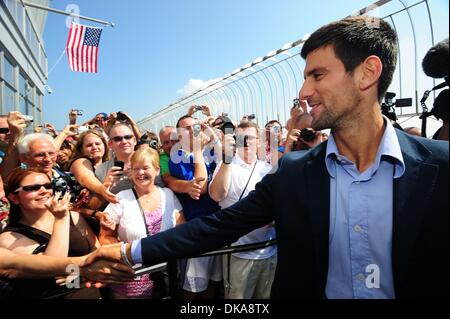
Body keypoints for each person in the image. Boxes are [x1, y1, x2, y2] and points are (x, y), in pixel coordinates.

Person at [92, 16, 449, 299]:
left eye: (318, 75)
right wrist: (127, 253)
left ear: (368, 73)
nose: (304, 91)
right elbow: (218, 227)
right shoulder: (295, 172)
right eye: (305, 76)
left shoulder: (441, 167)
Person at [0, 168, 102, 298]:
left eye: (47, 186)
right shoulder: (9, 238)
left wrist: (82, 272)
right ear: (14, 198)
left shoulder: (74, 218)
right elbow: (52, 267)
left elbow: (98, 253)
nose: (43, 191)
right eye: (33, 188)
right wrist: (61, 219)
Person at [98, 148, 185, 299]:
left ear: (157, 170)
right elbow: (105, 237)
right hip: (130, 282)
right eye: (135, 169)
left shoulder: (168, 195)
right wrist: (122, 254)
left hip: (166, 279)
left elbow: (181, 227)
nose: (140, 173)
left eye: (145, 168)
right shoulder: (121, 198)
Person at [209, 121, 276, 299]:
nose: (245, 142)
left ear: (260, 142)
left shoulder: (267, 169)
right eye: (241, 138)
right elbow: (216, 194)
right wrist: (227, 159)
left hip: (268, 251)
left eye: (250, 138)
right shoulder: (227, 165)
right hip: (238, 253)